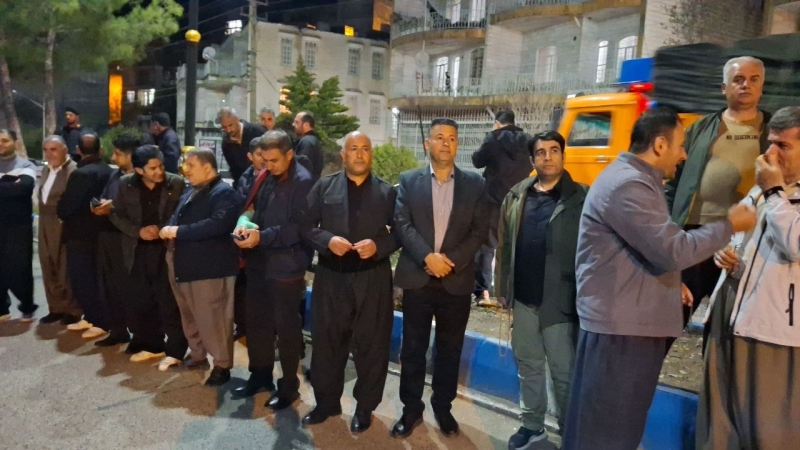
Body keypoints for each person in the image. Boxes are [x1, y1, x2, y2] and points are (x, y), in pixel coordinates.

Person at [561, 107, 757, 450]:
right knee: (609, 433)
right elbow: (673, 249)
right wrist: (729, 225)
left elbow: (642, 248)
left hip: (626, 324)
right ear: (660, 145)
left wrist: (669, 284)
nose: (684, 155)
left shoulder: (635, 180)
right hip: (624, 332)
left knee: (605, 427)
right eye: (680, 145)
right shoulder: (629, 185)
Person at [696, 106, 800, 450]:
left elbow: (795, 244)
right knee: (719, 426)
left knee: (769, 432)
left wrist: (774, 192)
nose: (770, 153)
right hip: (731, 313)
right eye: (770, 142)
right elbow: (740, 233)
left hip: (774, 333)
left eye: (783, 145)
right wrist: (724, 252)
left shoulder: (771, 189)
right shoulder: (761, 188)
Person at [392, 118, 489, 438]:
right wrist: (427, 257)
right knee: (413, 349)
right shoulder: (409, 180)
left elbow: (479, 231)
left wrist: (451, 261)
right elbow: (402, 223)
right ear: (427, 143)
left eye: (451, 138)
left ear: (457, 144)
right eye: (439, 137)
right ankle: (411, 409)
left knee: (449, 350)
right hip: (418, 278)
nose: (446, 143)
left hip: (455, 279)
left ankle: (443, 407)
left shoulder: (475, 184)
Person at [301, 131, 398, 432]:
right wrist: (327, 240)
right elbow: (305, 225)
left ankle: (365, 407)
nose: (359, 154)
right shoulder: (324, 186)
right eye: (353, 148)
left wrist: (379, 246)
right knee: (327, 342)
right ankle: (326, 403)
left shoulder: (387, 192)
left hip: (373, 277)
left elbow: (401, 232)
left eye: (365, 148)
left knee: (372, 346)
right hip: (332, 275)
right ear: (343, 154)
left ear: (371, 154)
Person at [665, 56, 771, 331]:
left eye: (754, 79)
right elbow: (674, 181)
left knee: (725, 328)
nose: (746, 85)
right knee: (669, 318)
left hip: (744, 242)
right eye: (738, 79)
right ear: (724, 88)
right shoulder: (700, 129)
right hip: (695, 238)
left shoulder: (773, 132)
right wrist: (669, 228)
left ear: (762, 87)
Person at [494, 130, 585, 449]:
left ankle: (571, 431)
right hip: (524, 299)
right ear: (532, 160)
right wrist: (501, 287)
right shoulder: (517, 196)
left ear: (563, 155)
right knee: (529, 366)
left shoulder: (580, 198)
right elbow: (504, 245)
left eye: (554, 150)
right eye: (541, 152)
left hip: (561, 302)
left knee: (564, 372)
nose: (548, 157)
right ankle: (532, 425)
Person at [232, 130, 314, 409]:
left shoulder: (303, 181)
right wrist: (244, 222)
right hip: (259, 261)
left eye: (274, 160)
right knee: (257, 323)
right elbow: (255, 205)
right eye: (265, 160)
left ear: (290, 154)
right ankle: (260, 376)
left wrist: (262, 237)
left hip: (286, 265)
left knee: (286, 329)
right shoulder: (267, 174)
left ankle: (289, 387)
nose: (268, 166)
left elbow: (298, 228)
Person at [160, 148, 241, 385]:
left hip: (210, 268)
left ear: (207, 167)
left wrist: (178, 231)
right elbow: (176, 217)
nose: (185, 170)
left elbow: (218, 224)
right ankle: (197, 355)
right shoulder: (191, 191)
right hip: (182, 263)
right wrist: (169, 228)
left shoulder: (224, 193)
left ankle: (222, 365)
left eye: (191, 165)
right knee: (189, 315)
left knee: (214, 319)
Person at [111, 146, 188, 368]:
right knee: (141, 299)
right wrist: (138, 231)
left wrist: (161, 228)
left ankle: (176, 350)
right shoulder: (126, 184)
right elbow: (116, 214)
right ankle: (152, 344)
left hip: (166, 248)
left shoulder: (175, 183)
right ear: (139, 170)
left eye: (161, 166)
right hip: (136, 249)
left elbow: (183, 214)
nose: (159, 171)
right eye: (153, 168)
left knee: (169, 301)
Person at [471, 109, 531, 306]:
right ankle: (513, 294)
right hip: (519, 199)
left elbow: (477, 161)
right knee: (515, 246)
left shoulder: (493, 138)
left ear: (497, 123)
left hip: (493, 200)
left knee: (486, 245)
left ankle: (483, 291)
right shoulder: (528, 140)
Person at [57, 133, 113, 339]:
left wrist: (61, 208)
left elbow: (66, 207)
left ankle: (98, 320)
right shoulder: (108, 170)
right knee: (98, 278)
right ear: (100, 149)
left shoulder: (81, 174)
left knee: (83, 279)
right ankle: (93, 317)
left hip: (80, 234)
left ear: (78, 150)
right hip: (103, 231)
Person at [91, 133, 138, 347]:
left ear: (130, 155)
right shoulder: (114, 175)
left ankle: (141, 336)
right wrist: (97, 206)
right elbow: (104, 196)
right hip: (107, 235)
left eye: (117, 154)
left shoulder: (140, 179)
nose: (113, 158)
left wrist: (113, 206)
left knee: (129, 289)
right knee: (109, 286)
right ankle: (118, 330)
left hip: (127, 238)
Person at [37, 136, 81, 325]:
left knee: (64, 266)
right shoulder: (46, 170)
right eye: (46, 150)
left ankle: (72, 309)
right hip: (44, 221)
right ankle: (55, 307)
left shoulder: (73, 171)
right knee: (47, 263)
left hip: (62, 221)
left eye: (53, 149)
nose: (49, 154)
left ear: (65, 150)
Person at [231, 137, 268, 340]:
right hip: (242, 239)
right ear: (250, 156)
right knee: (241, 288)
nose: (264, 159)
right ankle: (243, 327)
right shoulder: (244, 178)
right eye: (259, 154)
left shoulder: (271, 177)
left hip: (262, 239)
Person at [0, 129, 38, 322]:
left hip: (19, 226)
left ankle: (27, 306)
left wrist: (13, 187)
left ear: (14, 141)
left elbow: (23, 188)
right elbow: (15, 189)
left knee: (21, 267)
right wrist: (11, 185)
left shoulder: (26, 165)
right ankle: (2, 309)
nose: (1, 144)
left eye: (5, 140)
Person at [219, 107, 267, 183]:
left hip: (265, 181)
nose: (228, 130)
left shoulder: (257, 131)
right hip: (243, 184)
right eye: (224, 127)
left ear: (237, 119)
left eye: (230, 125)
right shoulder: (226, 144)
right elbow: (234, 171)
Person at [293, 111, 324, 181]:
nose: (293, 124)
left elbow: (303, 168)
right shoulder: (312, 140)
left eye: (297, 122)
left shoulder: (306, 142)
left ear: (306, 125)